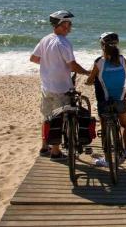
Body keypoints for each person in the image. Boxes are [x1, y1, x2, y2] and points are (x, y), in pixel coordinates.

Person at [30, 10, 90, 160]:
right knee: (59, 119)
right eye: (69, 24)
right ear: (62, 24)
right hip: (61, 87)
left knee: (47, 117)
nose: (70, 27)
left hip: (46, 86)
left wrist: (49, 64)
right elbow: (73, 66)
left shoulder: (45, 39)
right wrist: (88, 73)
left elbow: (34, 58)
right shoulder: (63, 42)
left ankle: (44, 147)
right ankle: (55, 152)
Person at [86, 32, 126, 158]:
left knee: (104, 125)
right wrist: (125, 74)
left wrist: (88, 81)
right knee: (125, 124)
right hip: (120, 99)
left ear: (103, 46)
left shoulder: (99, 62)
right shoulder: (122, 59)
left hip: (105, 101)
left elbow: (91, 80)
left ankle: (106, 153)